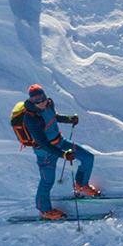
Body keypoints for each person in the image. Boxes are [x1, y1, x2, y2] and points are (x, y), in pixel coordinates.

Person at [15, 83, 98, 220]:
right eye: (37, 100)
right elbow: (43, 143)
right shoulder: (30, 119)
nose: (41, 102)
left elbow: (53, 116)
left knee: (87, 157)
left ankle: (81, 185)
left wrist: (68, 119)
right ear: (31, 101)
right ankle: (45, 210)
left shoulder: (49, 103)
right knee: (47, 181)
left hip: (60, 142)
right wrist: (63, 154)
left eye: (42, 98)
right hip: (45, 153)